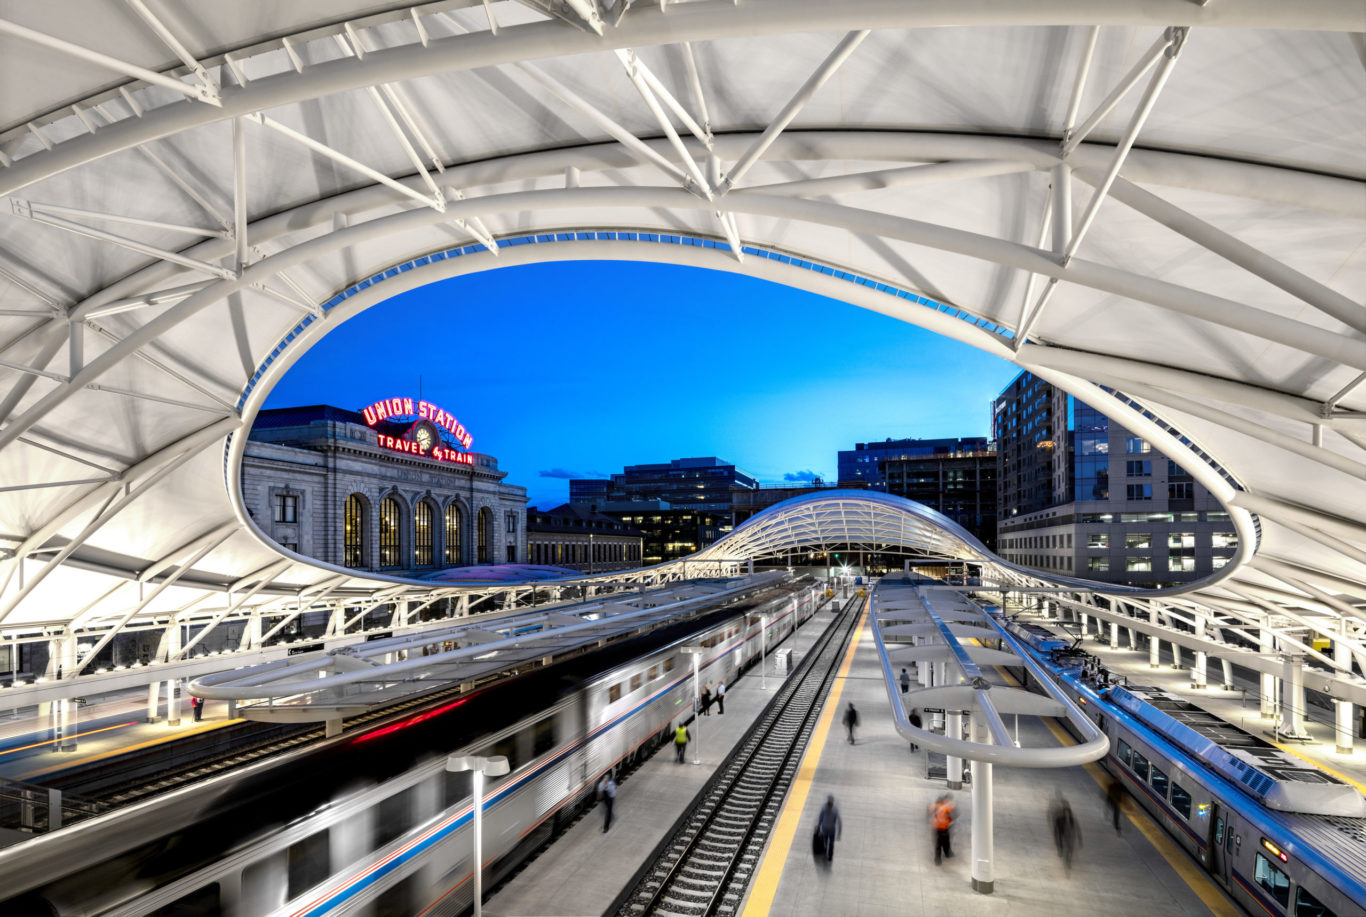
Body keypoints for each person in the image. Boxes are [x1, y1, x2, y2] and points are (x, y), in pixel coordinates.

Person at [1050, 792, 1081, 873]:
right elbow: (1056, 828)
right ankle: (1060, 850)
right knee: (1060, 843)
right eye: (1065, 811)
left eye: (1068, 811)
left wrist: (1080, 839)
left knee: (1070, 849)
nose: (1067, 813)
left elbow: (1078, 828)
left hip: (1070, 836)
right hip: (1062, 833)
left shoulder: (1072, 819)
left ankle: (1068, 861)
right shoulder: (1059, 819)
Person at [815, 794, 842, 863]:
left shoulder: (834, 810)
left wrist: (839, 833)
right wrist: (818, 826)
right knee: (825, 843)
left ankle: (830, 856)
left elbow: (839, 822)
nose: (829, 803)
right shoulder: (824, 808)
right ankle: (826, 855)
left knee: (831, 844)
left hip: (831, 830)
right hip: (825, 829)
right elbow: (820, 817)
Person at [931, 794, 955, 865]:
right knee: (943, 842)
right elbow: (952, 815)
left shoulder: (936, 806)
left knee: (941, 843)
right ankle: (942, 856)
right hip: (942, 827)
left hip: (938, 827)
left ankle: (941, 857)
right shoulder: (947, 807)